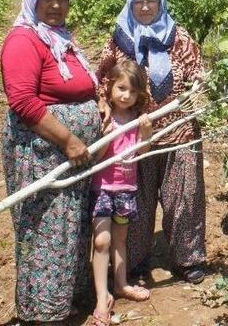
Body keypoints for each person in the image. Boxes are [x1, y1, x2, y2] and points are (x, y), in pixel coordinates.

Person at [0, 0, 101, 323]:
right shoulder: (23, 40)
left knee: (69, 226)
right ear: (32, 0)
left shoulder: (58, 38)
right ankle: (42, 311)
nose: (56, 5)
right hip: (43, 153)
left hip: (69, 156)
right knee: (45, 228)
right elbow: (23, 102)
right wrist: (69, 139)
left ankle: (64, 299)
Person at [96, 0, 207, 284]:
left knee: (184, 196)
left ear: (161, 3)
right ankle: (134, 261)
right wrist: (104, 103)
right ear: (129, 5)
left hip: (179, 130)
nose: (145, 7)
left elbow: (197, 72)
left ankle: (188, 258)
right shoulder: (119, 40)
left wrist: (198, 86)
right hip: (133, 134)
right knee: (136, 198)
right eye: (138, 2)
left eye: (151, 1)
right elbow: (101, 79)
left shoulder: (178, 37)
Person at [89, 60, 153, 326]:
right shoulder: (104, 117)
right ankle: (100, 298)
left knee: (119, 239)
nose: (126, 96)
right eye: (121, 88)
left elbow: (141, 153)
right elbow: (96, 157)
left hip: (126, 189)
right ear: (110, 87)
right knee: (101, 241)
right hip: (103, 188)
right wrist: (107, 136)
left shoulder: (137, 120)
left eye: (132, 91)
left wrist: (145, 134)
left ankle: (121, 284)